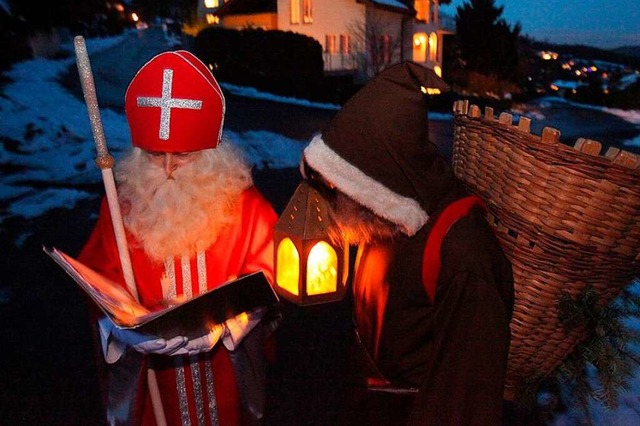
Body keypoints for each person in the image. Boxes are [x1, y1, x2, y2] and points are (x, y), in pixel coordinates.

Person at [300, 61, 514, 425]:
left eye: (339, 183)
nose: (331, 195)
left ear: (373, 179)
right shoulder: (383, 218)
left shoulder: (464, 252)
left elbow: (464, 401)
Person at [79, 51, 278, 426]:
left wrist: (224, 324)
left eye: (183, 155)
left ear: (209, 151)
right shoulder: (121, 206)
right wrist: (124, 332)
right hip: (151, 386)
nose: (168, 168)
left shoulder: (245, 205)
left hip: (222, 377)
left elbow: (270, 280)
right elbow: (96, 283)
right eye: (155, 155)